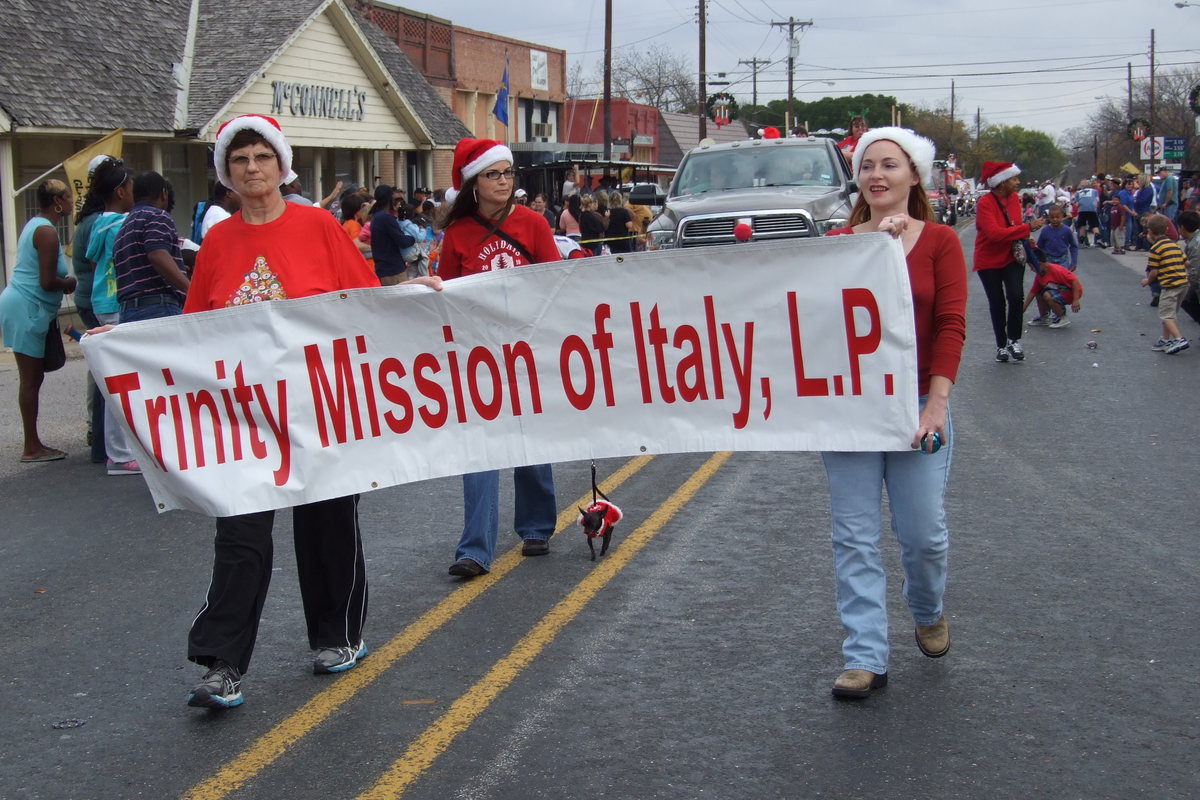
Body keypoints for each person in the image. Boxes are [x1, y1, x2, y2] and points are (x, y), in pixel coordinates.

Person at [179, 114, 442, 710]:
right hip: (245, 418)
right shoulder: (218, 242)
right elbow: (192, 329)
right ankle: (222, 665)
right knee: (240, 534)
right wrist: (122, 342)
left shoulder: (319, 226)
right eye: (240, 159)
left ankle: (337, 635)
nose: (252, 168)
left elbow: (365, 299)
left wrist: (413, 296)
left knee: (327, 524)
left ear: (281, 165)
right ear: (226, 172)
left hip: (320, 407)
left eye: (261, 157)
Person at [822, 127, 967, 699]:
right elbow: (809, 321)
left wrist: (937, 404)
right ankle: (864, 655)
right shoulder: (838, 243)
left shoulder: (941, 242)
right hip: (850, 410)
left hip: (917, 409)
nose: (876, 175)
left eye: (889, 164)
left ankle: (927, 609)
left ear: (914, 176)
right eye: (867, 166)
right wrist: (869, 252)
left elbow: (950, 324)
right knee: (854, 535)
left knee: (923, 534)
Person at [436, 137, 560, 579]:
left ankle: (536, 527)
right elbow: (445, 297)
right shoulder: (457, 234)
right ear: (474, 182)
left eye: (508, 173)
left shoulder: (534, 224)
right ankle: (474, 550)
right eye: (493, 174)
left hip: (526, 350)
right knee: (480, 452)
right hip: (479, 356)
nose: (504, 181)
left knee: (531, 441)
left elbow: (554, 283)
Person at [0, 179, 77, 463]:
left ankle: (33, 443)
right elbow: (47, 281)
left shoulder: (36, 225)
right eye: (67, 197)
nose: (71, 201)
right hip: (27, 307)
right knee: (30, 379)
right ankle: (31, 447)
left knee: (33, 378)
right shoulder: (46, 232)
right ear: (57, 202)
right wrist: (68, 283)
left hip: (25, 305)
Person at [83, 161, 142, 475]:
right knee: (122, 381)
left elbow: (94, 261)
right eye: (131, 186)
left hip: (101, 301)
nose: (134, 192)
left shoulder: (99, 223)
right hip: (119, 302)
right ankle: (119, 455)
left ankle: (119, 451)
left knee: (114, 379)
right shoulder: (123, 224)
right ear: (121, 191)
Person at [975, 161, 1046, 363]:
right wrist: (1027, 228)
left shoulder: (1015, 199)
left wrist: (1027, 238)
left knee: (1016, 297)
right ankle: (1001, 345)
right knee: (997, 302)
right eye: (1014, 179)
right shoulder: (985, 203)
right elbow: (994, 234)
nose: (1018, 182)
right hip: (988, 259)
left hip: (1013, 255)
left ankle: (1014, 340)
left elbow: (1014, 226)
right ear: (1002, 182)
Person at [1141, 214, 1190, 355]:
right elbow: (1186, 262)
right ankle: (1165, 339)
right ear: (1167, 229)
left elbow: (1154, 271)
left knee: (1165, 315)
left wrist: (1147, 281)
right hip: (1183, 283)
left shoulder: (1156, 248)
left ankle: (1179, 339)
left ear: (1149, 231)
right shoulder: (1174, 245)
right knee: (1170, 314)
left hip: (1170, 285)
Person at [367, 184, 416, 285]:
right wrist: (413, 238)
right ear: (389, 199)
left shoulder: (376, 216)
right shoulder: (386, 217)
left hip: (382, 268)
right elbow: (402, 241)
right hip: (393, 270)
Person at [1024, 248, 1083, 328]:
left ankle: (1062, 317)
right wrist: (1023, 309)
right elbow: (1033, 292)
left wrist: (1076, 300)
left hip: (1071, 291)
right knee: (1039, 293)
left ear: (1039, 264)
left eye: (1032, 267)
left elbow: (1074, 281)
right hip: (1059, 290)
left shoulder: (1056, 270)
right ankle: (1044, 318)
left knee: (1047, 295)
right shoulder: (1040, 275)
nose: (1032, 270)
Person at [1036, 205, 1078, 271]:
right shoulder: (1045, 231)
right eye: (1052, 217)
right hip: (1049, 259)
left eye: (1057, 217)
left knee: (1063, 277)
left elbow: (1073, 246)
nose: (1055, 219)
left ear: (1062, 217)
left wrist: (1074, 262)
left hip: (1063, 260)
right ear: (1048, 218)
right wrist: (1040, 261)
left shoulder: (1066, 230)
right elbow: (1039, 247)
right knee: (1049, 277)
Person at [1177, 211, 1200, 326]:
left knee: (1183, 296)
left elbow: (1195, 272)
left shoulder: (1195, 244)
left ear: (1182, 227)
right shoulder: (1194, 239)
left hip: (1197, 280)